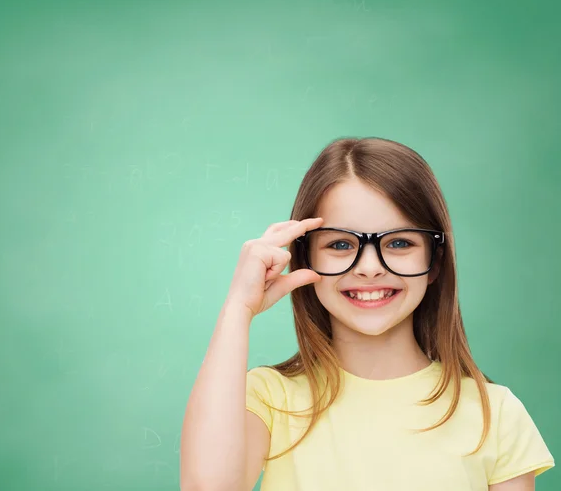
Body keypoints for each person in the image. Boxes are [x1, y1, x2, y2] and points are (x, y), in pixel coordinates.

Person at [180, 136, 555, 491]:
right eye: (342, 244)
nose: (370, 267)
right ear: (305, 256)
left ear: (434, 262)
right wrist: (238, 310)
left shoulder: (496, 412)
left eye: (399, 243)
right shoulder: (267, 397)